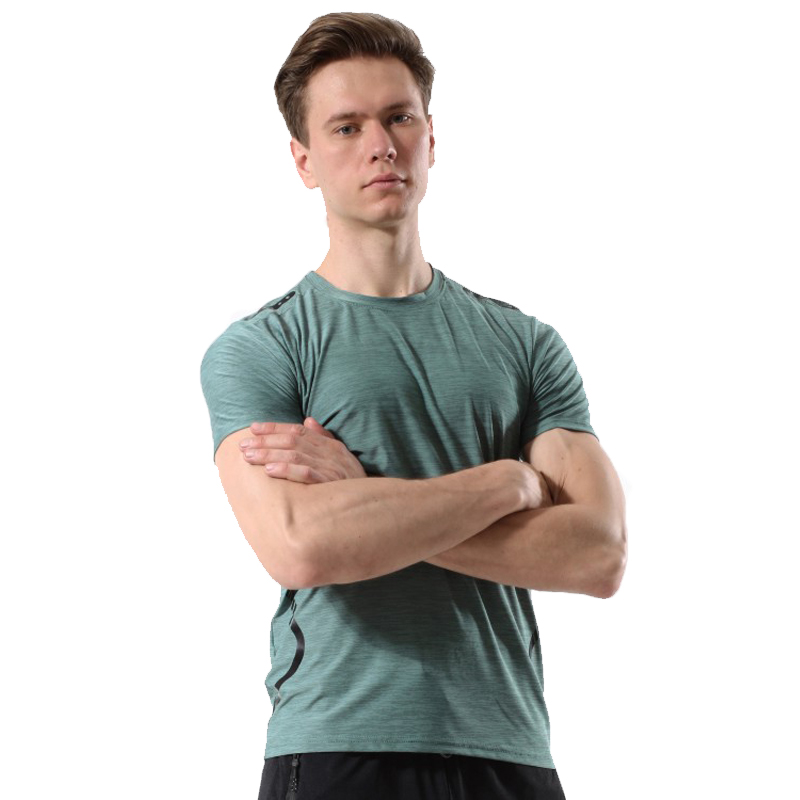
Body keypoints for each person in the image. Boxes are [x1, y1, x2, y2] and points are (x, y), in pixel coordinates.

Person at [200, 11, 627, 800]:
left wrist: (364, 497)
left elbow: (598, 555)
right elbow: (300, 546)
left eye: (399, 118)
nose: (380, 145)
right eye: (347, 126)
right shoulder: (262, 348)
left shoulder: (527, 345)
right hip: (339, 743)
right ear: (303, 160)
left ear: (432, 137)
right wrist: (505, 483)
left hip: (509, 747)